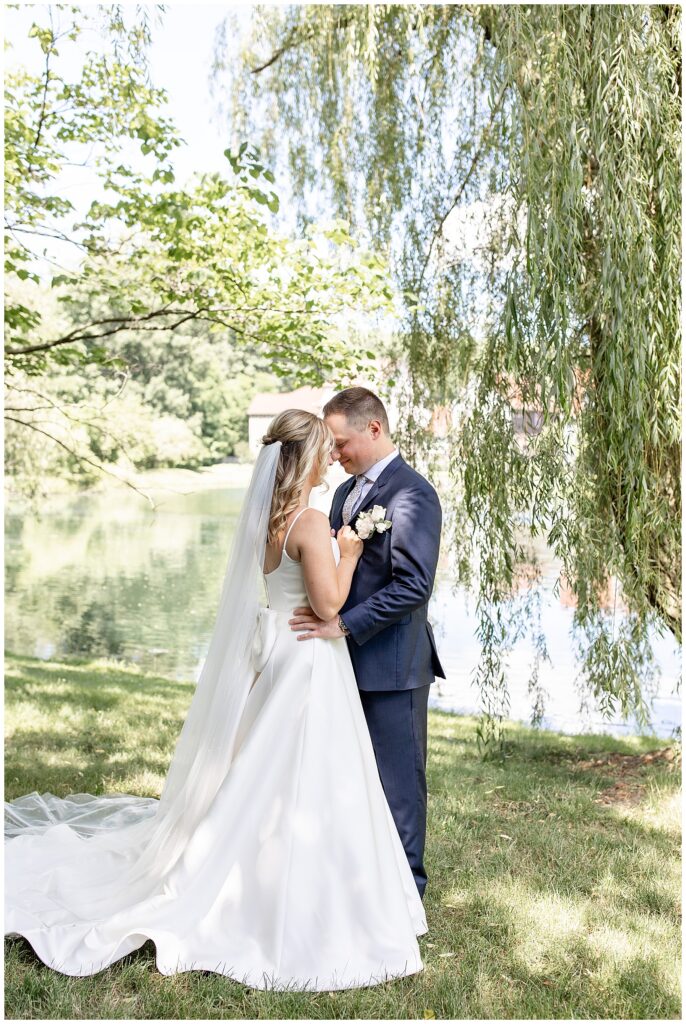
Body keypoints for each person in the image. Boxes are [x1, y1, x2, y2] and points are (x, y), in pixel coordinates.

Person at [4, 409, 427, 991]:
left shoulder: (270, 520)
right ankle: (300, 891)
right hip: (307, 658)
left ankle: (261, 869)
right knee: (307, 773)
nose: (333, 456)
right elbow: (328, 607)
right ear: (305, 459)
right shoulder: (308, 519)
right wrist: (348, 553)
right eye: (325, 448)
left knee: (263, 772)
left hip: (277, 651)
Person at [288, 388, 446, 900]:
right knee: (347, 777)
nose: (334, 456)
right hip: (340, 663)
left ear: (373, 429)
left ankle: (407, 894)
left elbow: (412, 586)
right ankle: (357, 886)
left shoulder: (413, 494)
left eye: (340, 443)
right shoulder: (342, 495)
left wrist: (346, 624)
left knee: (399, 784)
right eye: (331, 448)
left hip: (392, 664)